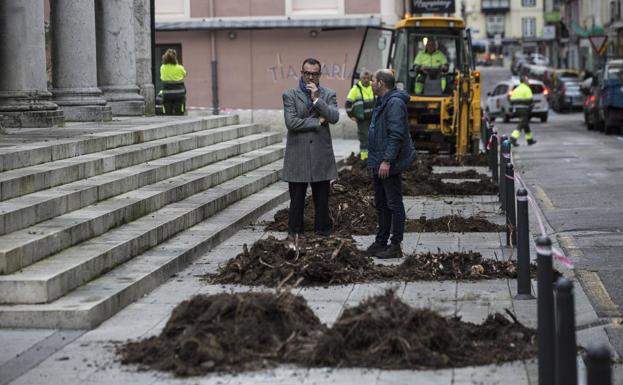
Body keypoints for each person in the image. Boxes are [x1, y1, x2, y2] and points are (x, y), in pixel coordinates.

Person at [282, 58, 339, 237]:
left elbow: (334, 117)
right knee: (297, 201)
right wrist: (317, 122)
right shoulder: (290, 95)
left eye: (314, 74)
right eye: (307, 73)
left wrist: (317, 100)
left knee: (322, 200)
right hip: (297, 156)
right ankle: (295, 234)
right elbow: (291, 123)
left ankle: (322, 233)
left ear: (319, 75)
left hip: (321, 156)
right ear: (302, 73)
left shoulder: (328, 94)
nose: (310, 78)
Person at [365, 69, 416, 259]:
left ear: (381, 83)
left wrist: (387, 161)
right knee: (382, 203)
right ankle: (381, 242)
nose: (370, 83)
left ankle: (395, 246)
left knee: (394, 203)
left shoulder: (394, 103)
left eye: (372, 80)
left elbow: (396, 135)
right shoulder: (383, 101)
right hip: (379, 161)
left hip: (388, 163)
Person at [345, 71, 375, 160]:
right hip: (362, 120)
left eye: (367, 78)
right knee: (365, 138)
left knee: (374, 138)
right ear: (360, 79)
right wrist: (351, 116)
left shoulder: (373, 86)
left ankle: (373, 157)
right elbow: (348, 104)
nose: (366, 80)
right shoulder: (355, 89)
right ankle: (364, 159)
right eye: (363, 78)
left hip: (373, 118)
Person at [510, 76, 537, 146]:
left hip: (516, 109)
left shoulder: (516, 89)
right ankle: (513, 139)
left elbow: (511, 100)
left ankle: (530, 140)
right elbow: (530, 100)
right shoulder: (527, 89)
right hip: (524, 110)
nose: (528, 82)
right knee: (521, 124)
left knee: (525, 124)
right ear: (524, 81)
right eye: (527, 80)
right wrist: (531, 106)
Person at [159, 49, 187, 115]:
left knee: (167, 113)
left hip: (167, 93)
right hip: (179, 93)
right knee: (179, 113)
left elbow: (162, 77)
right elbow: (185, 74)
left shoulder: (162, 67)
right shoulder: (180, 67)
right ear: (175, 58)